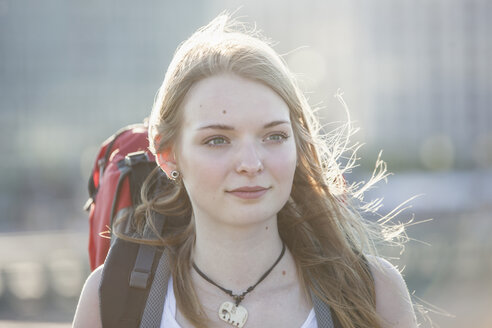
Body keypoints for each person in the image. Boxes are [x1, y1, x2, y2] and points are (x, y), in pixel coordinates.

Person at [73, 12, 417, 328]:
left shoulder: (374, 293)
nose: (251, 164)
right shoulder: (112, 297)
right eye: (218, 140)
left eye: (274, 136)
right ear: (167, 153)